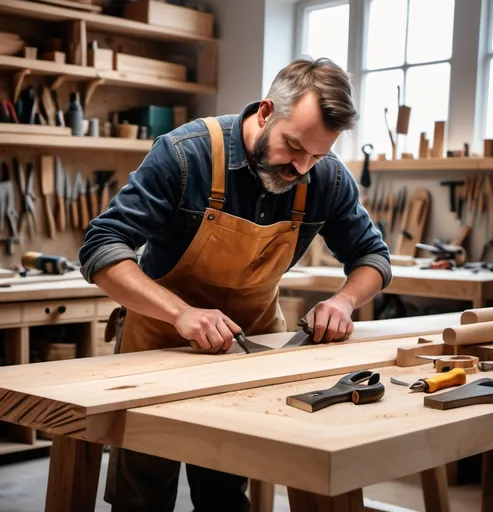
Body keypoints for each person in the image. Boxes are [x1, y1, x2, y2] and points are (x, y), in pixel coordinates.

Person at [79, 56, 391, 511]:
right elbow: (102, 246)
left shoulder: (325, 176)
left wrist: (344, 302)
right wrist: (181, 313)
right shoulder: (184, 153)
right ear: (266, 112)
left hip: (247, 354)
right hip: (159, 346)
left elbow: (372, 256)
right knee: (142, 495)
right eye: (293, 147)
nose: (302, 167)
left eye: (317, 155)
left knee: (225, 491)